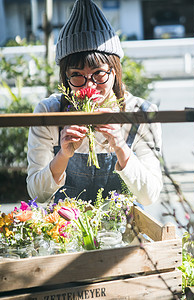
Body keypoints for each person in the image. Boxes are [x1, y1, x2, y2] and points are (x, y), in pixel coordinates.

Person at [27, 0, 163, 206]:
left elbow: (150, 196)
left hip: (125, 231)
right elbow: (37, 194)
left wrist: (120, 146)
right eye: (77, 75)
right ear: (65, 77)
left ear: (115, 71)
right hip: (66, 230)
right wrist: (62, 156)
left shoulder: (141, 113)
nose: (89, 85)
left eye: (99, 73)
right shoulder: (49, 112)